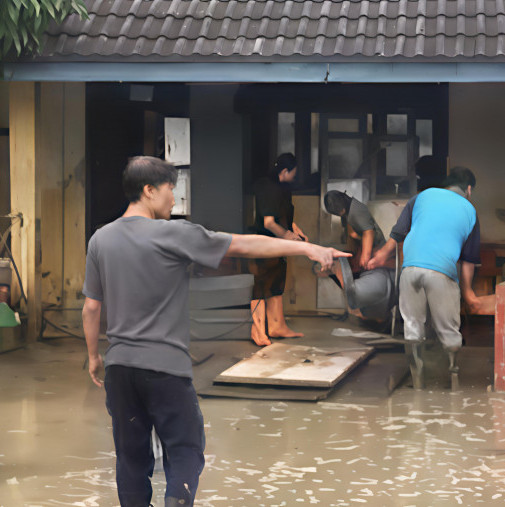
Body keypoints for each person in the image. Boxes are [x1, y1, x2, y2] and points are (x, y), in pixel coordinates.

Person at [82, 156, 348, 506]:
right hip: (165, 370)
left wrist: (93, 357)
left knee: (131, 459)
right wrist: (308, 247)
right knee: (185, 452)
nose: (173, 199)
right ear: (149, 191)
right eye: (169, 190)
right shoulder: (175, 234)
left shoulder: (100, 239)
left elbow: (91, 307)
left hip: (120, 369)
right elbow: (246, 244)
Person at [368, 166, 482, 389]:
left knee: (412, 326)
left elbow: (397, 233)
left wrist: (381, 255)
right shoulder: (470, 210)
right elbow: (469, 259)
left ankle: (417, 377)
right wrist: (468, 292)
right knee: (448, 328)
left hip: (409, 270)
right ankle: (453, 372)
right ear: (468, 189)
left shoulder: (421, 197)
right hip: (441, 272)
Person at [249, 153, 309, 346]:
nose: (294, 176)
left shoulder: (283, 189)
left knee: (276, 284)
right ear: (284, 171)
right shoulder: (267, 188)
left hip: (278, 244)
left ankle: (277, 326)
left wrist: (296, 232)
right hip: (263, 243)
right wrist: (287, 237)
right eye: (293, 173)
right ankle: (258, 331)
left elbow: (286, 217)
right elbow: (269, 223)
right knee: (261, 286)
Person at [322, 190, 396, 325]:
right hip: (363, 250)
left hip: (373, 251)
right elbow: (353, 235)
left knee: (357, 279)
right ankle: (359, 308)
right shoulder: (349, 211)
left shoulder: (357, 210)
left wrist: (365, 256)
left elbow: (368, 232)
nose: (340, 213)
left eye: (339, 211)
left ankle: (364, 309)